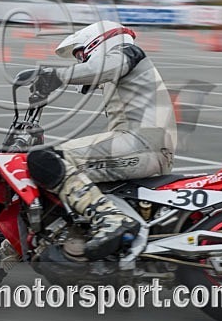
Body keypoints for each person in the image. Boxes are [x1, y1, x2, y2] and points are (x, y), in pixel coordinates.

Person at [26, 20, 177, 260]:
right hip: (140, 146)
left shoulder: (128, 54)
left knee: (50, 160)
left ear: (98, 43)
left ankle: (112, 220)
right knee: (56, 169)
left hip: (142, 146)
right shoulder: (123, 71)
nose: (81, 61)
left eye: (81, 55)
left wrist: (54, 74)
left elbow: (100, 68)